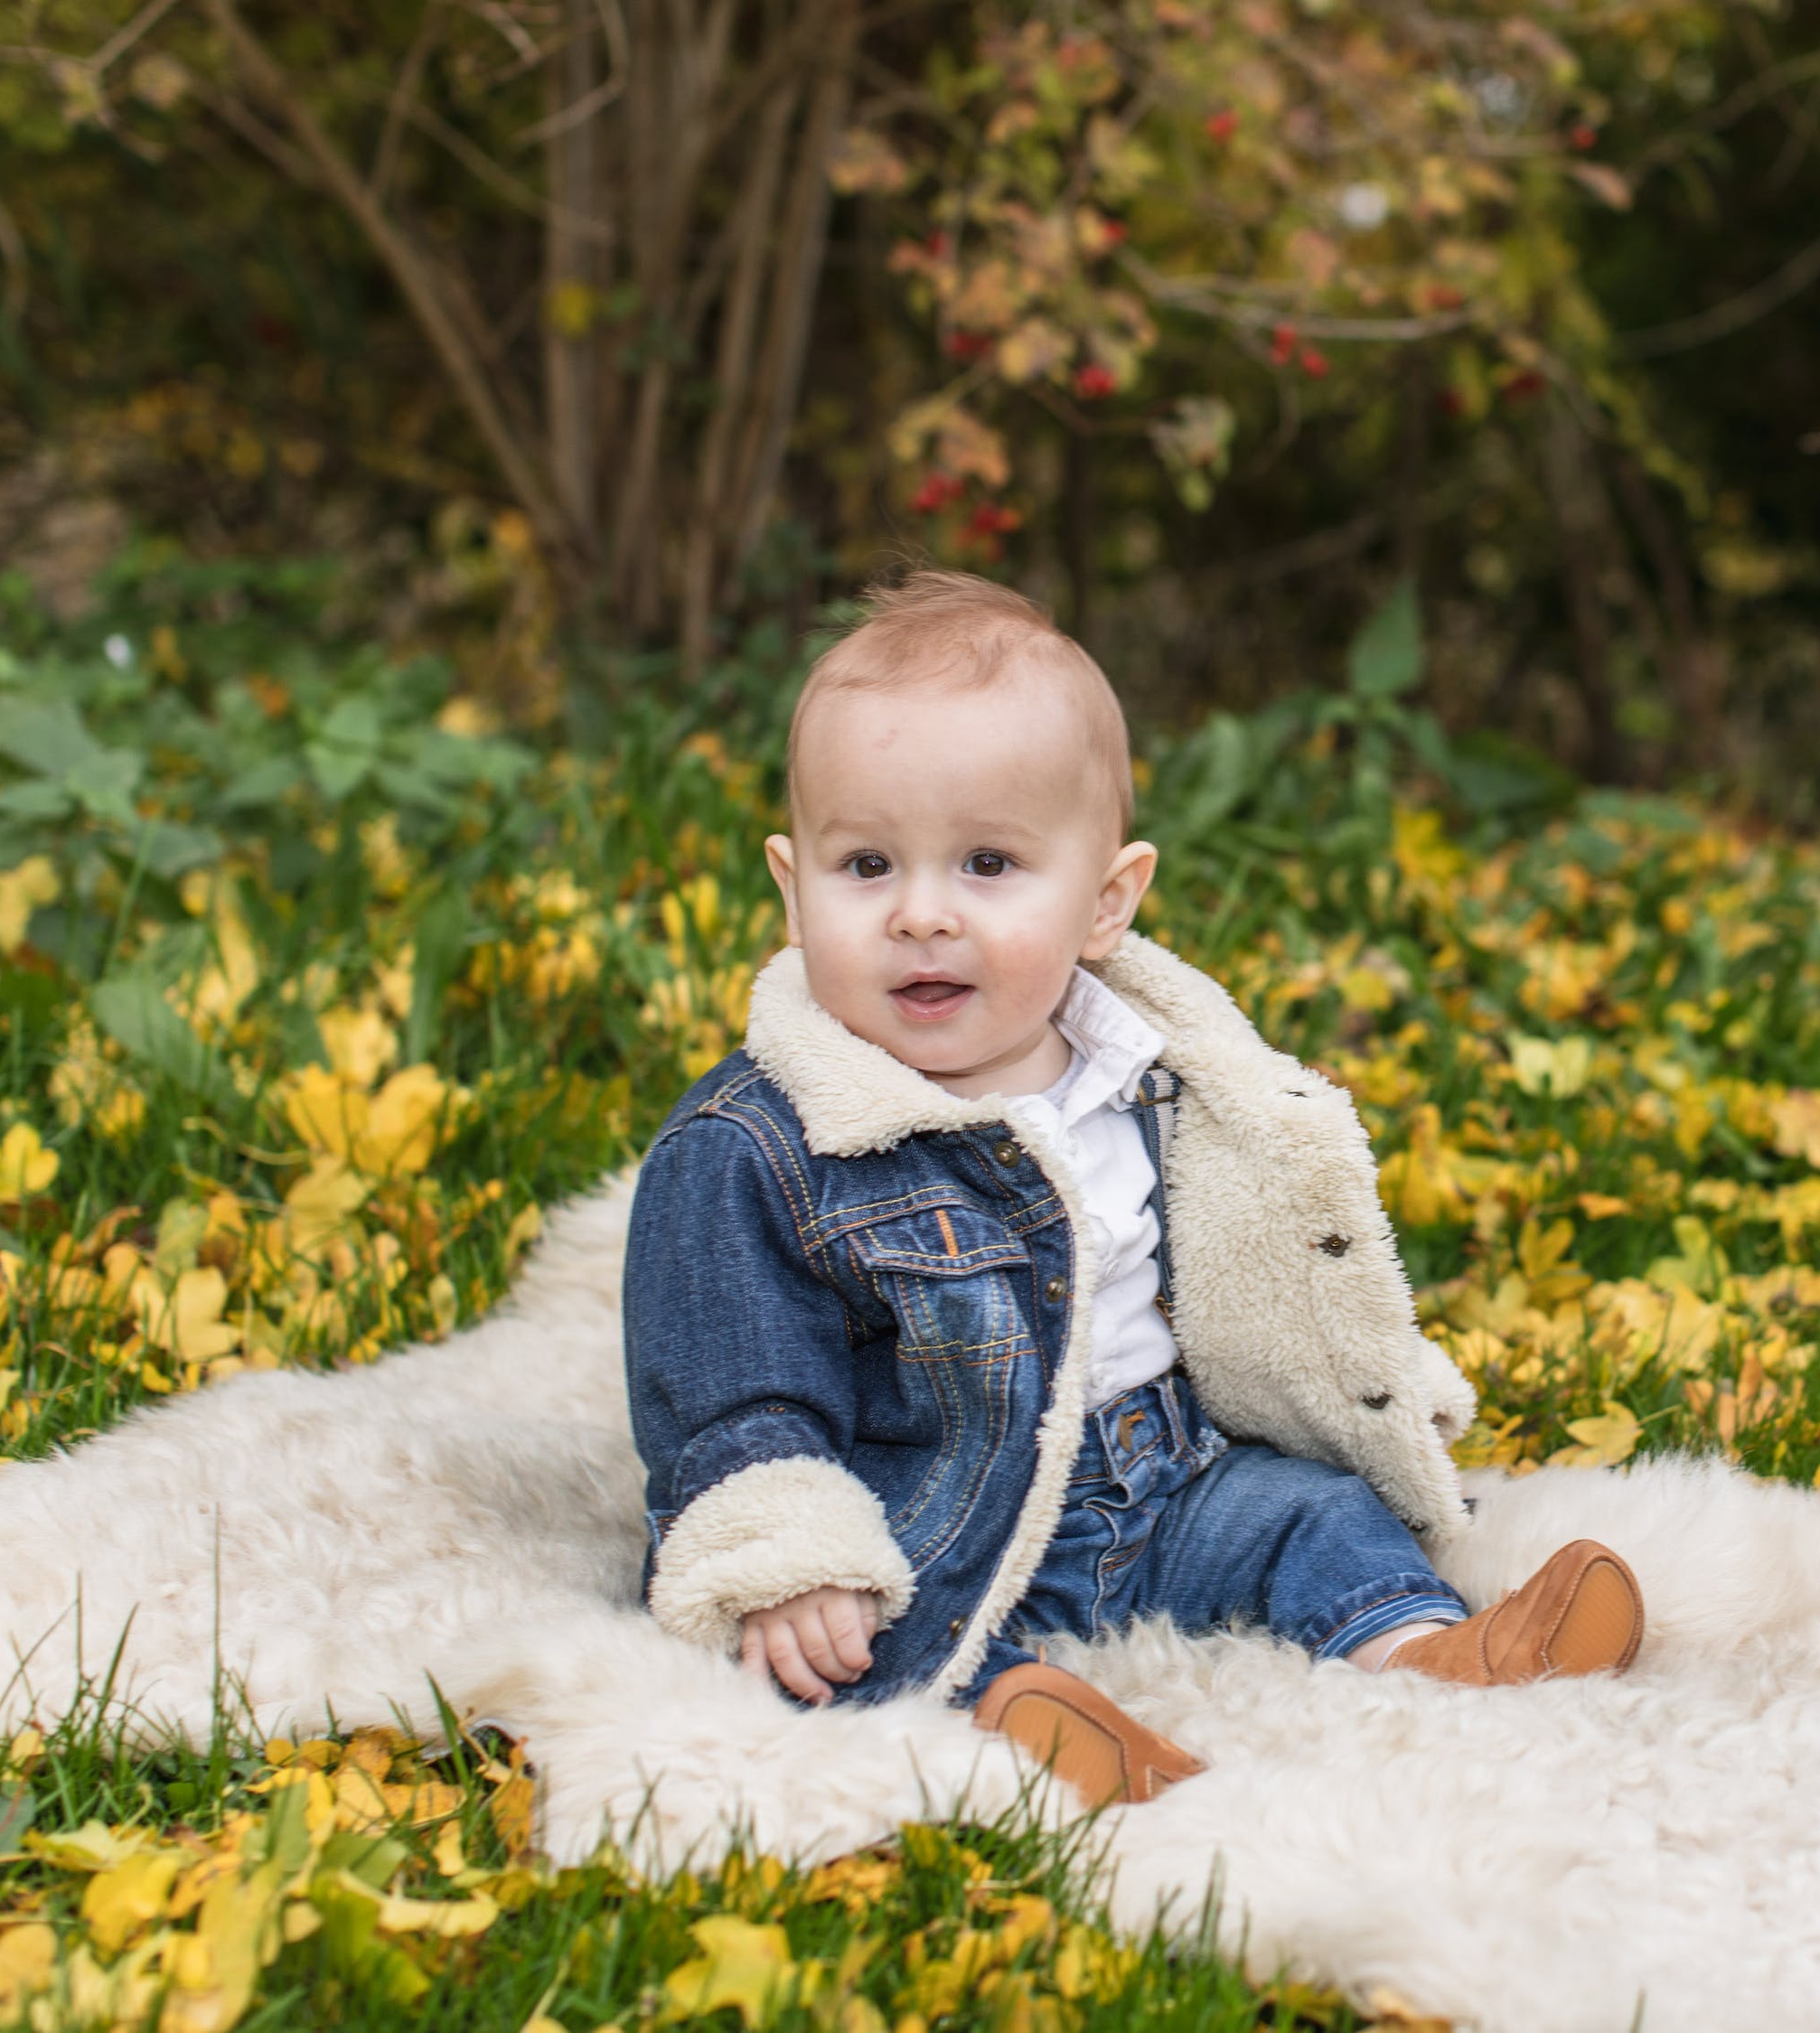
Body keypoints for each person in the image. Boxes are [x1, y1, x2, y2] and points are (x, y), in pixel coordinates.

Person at [623, 572, 1644, 1806]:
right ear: (793, 889)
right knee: (842, 1645)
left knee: (1310, 1517)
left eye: (988, 862)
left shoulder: (1169, 1074)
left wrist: (1355, 1376)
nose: (922, 914)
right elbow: (733, 1394)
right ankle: (1022, 1727)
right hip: (937, 1518)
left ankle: (1427, 1647)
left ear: (1105, 900)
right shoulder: (758, 1141)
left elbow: (1252, 1262)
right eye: (868, 863)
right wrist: (789, 1554)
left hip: (1164, 1479)